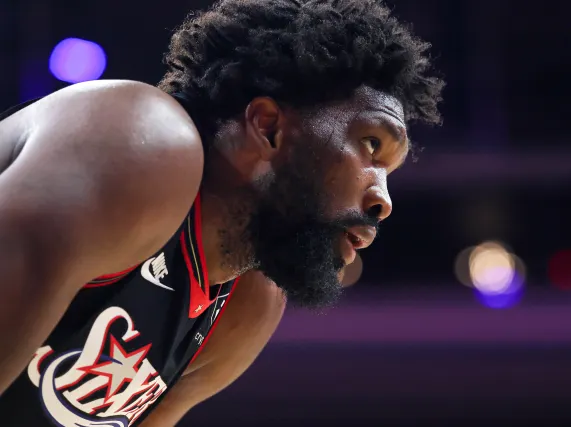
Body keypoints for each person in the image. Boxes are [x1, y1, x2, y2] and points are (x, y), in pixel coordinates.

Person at [0, 0, 444, 425]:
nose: (384, 201)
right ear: (268, 127)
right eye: (371, 145)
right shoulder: (145, 143)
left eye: (390, 171)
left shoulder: (248, 304)